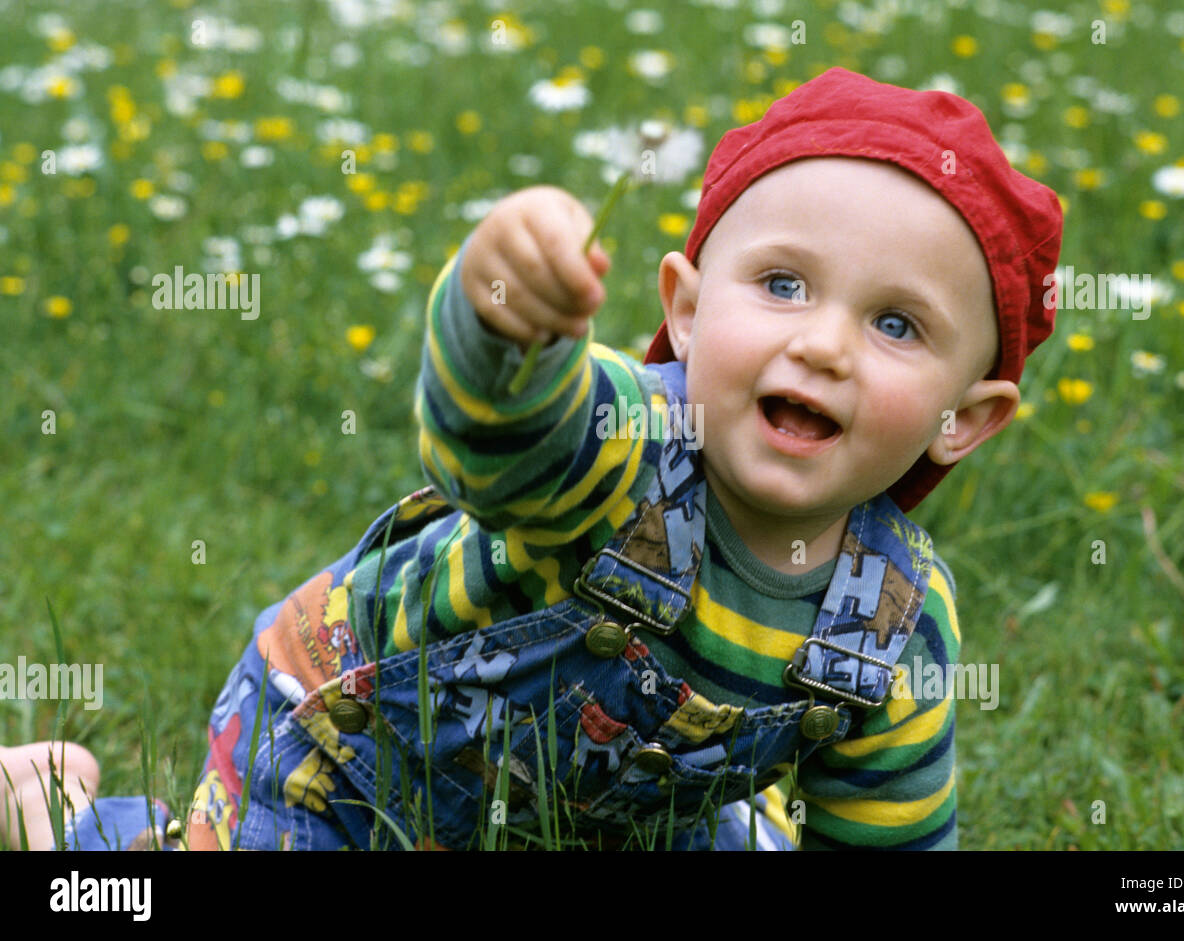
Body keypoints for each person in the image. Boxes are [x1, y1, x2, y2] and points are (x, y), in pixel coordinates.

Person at [7, 67, 1062, 851]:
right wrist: (503, 314)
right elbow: (498, 437)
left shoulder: (894, 618)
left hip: (605, 821)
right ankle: (69, 820)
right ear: (685, 310)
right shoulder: (628, 448)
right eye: (782, 284)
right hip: (360, 763)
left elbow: (885, 834)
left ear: (964, 418)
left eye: (895, 325)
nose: (822, 343)